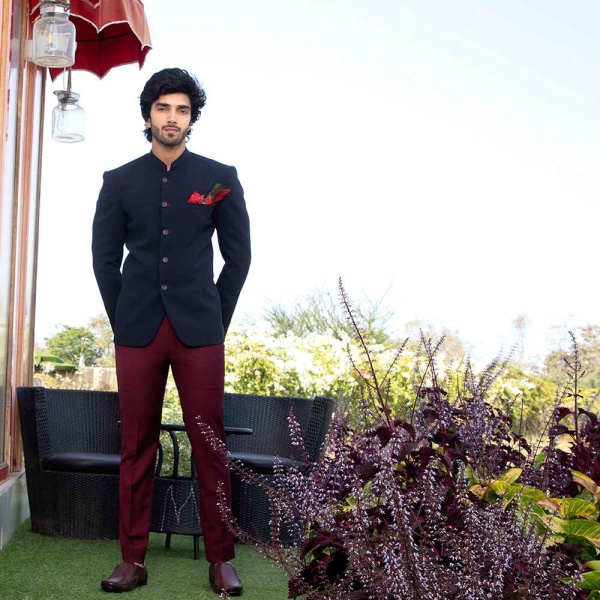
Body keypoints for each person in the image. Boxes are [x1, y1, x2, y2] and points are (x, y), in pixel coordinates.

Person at [92, 67, 251, 596]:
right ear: (148, 115)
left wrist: (215, 316)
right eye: (164, 108)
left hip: (199, 331)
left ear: (191, 119)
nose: (172, 118)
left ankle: (221, 561)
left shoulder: (217, 177)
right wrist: (122, 319)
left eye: (182, 110)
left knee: (211, 442)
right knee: (135, 445)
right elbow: (102, 257)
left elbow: (239, 256)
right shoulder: (118, 181)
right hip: (137, 330)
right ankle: (132, 560)